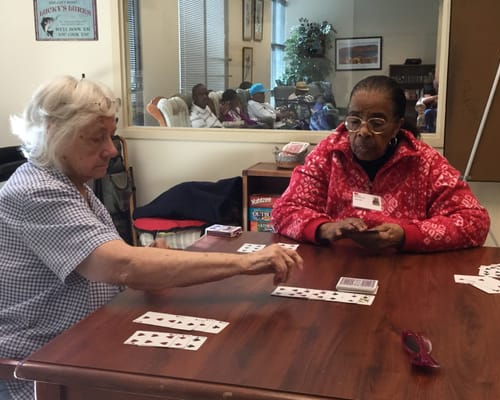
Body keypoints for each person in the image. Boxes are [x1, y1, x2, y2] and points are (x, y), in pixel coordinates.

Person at [0, 76, 303, 400]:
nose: (111, 150)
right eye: (96, 139)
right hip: (43, 367)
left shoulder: (74, 185)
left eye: (111, 136)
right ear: (53, 134)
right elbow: (121, 266)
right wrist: (246, 263)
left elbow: (115, 263)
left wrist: (147, 261)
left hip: (92, 337)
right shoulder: (36, 192)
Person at [272, 75, 490, 253]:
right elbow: (284, 211)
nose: (363, 132)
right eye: (354, 121)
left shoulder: (424, 161)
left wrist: (406, 235)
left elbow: (474, 221)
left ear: (397, 126)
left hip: (405, 272)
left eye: (377, 123)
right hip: (336, 267)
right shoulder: (329, 154)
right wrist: (325, 228)